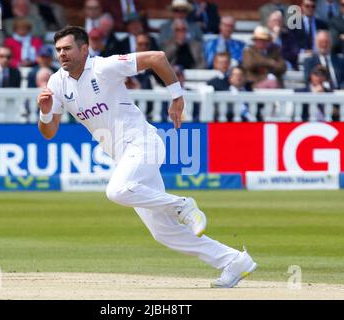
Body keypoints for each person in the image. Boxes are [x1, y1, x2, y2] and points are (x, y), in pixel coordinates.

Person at [37, 26, 257, 288]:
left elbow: (157, 57)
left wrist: (177, 96)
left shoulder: (103, 67)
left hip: (143, 143)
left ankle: (183, 205)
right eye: (59, 49)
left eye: (68, 48)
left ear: (84, 49)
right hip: (124, 156)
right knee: (164, 233)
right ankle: (234, 261)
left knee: (116, 191)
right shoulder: (56, 83)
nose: (61, 54)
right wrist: (45, 113)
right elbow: (49, 133)